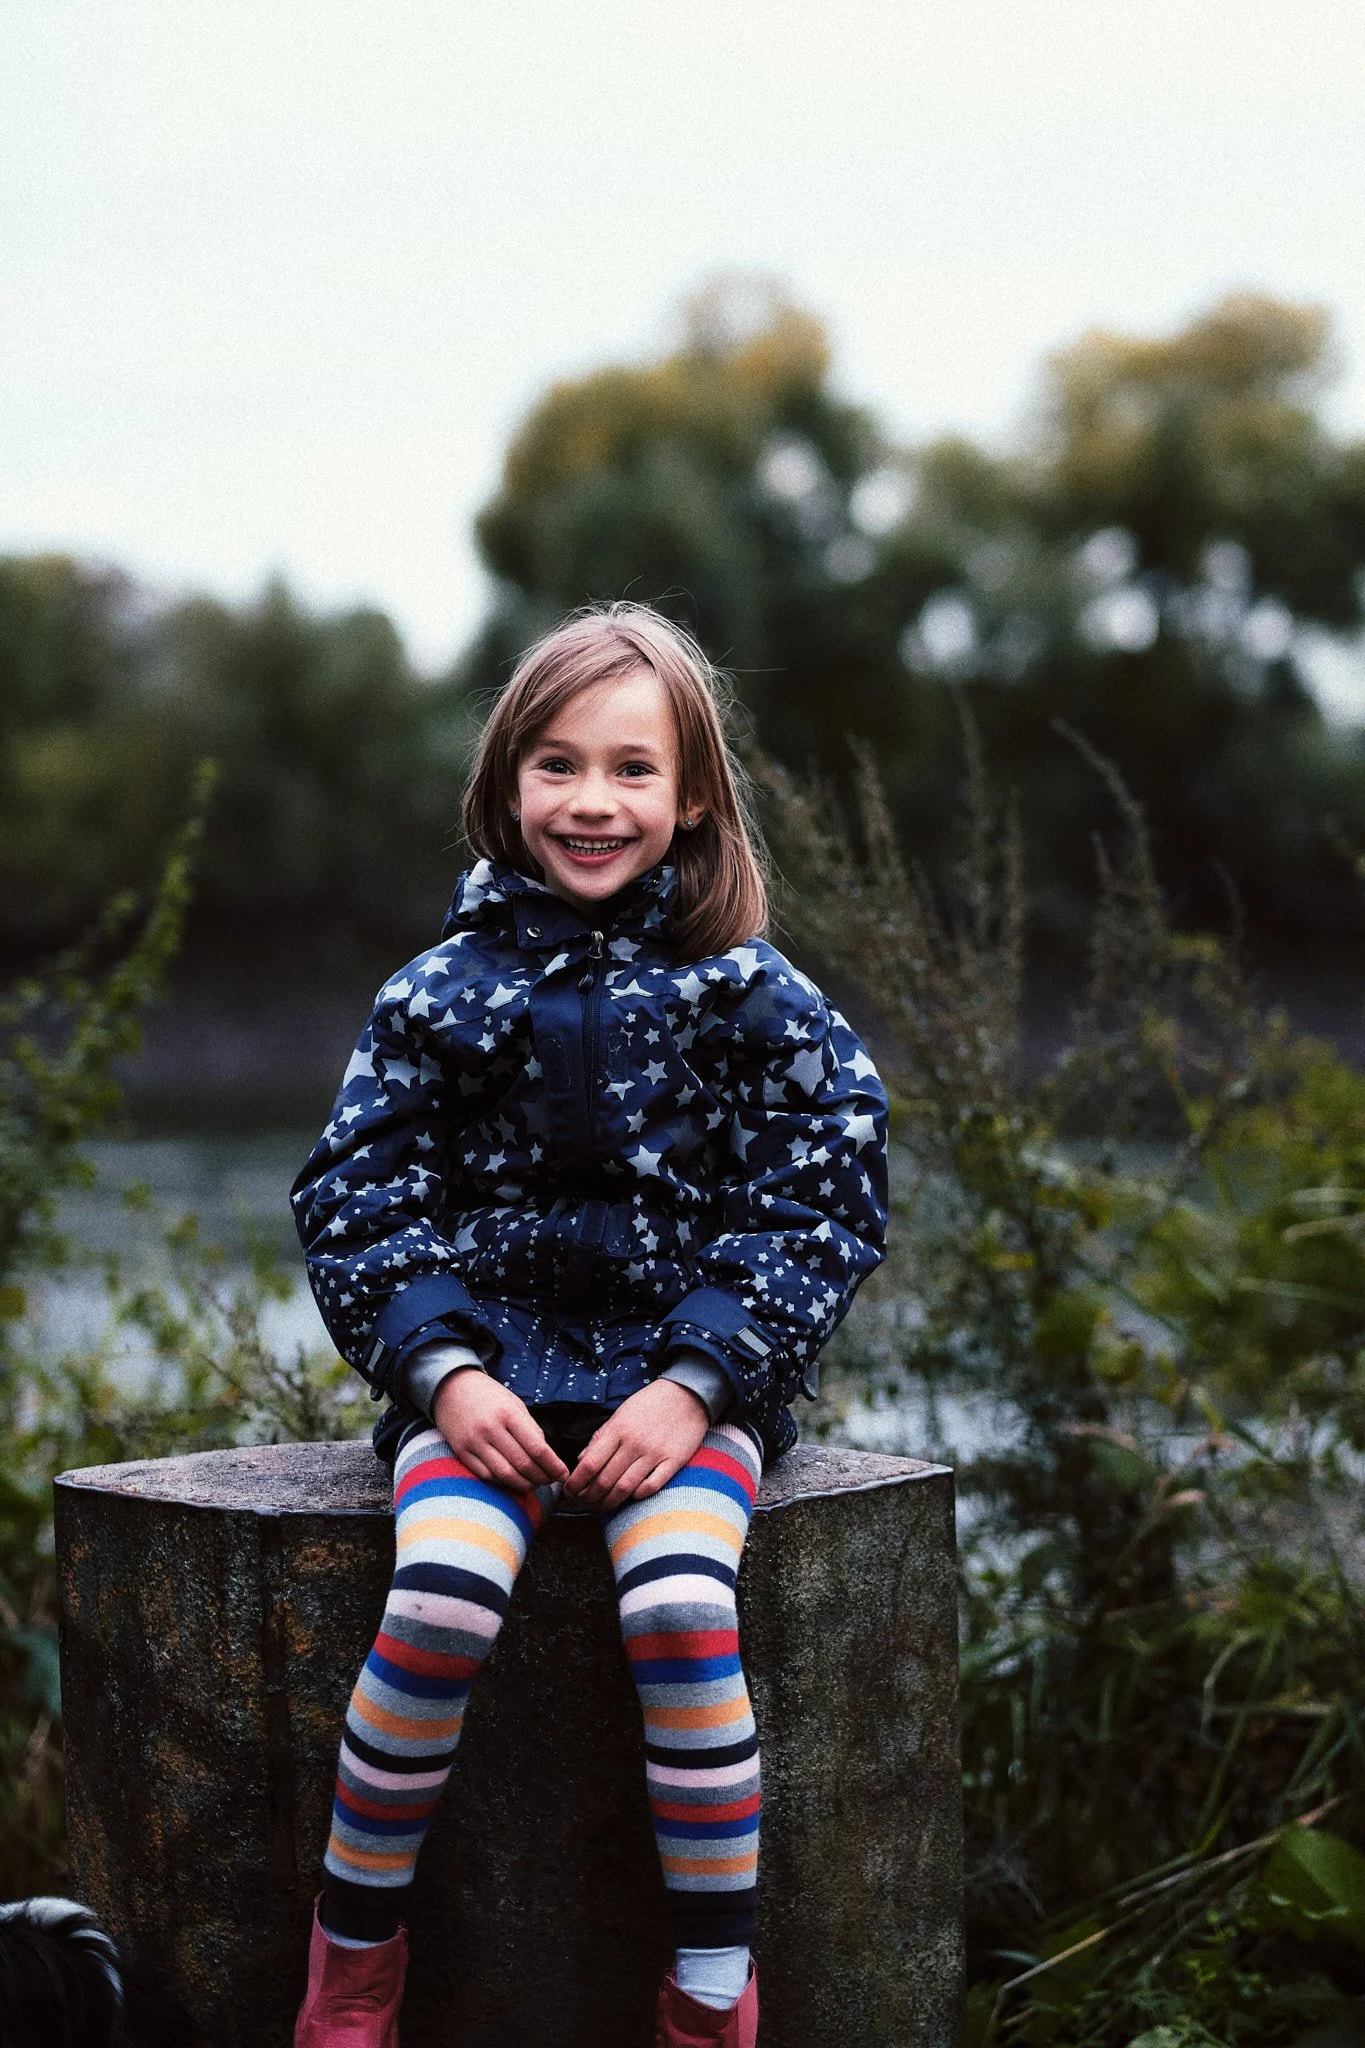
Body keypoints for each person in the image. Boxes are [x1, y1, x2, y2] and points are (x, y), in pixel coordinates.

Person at [289, 603, 888, 2046]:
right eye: (558, 766)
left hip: (681, 1393)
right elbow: (357, 1193)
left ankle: (708, 1997)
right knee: (437, 1602)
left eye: (633, 769)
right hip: (484, 1392)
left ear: (691, 799)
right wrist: (438, 1372)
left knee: (684, 1612)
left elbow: (828, 1190)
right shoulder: (434, 995)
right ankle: (351, 1956)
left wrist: (700, 1382)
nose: (594, 801)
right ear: (506, 788)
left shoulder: (749, 995)